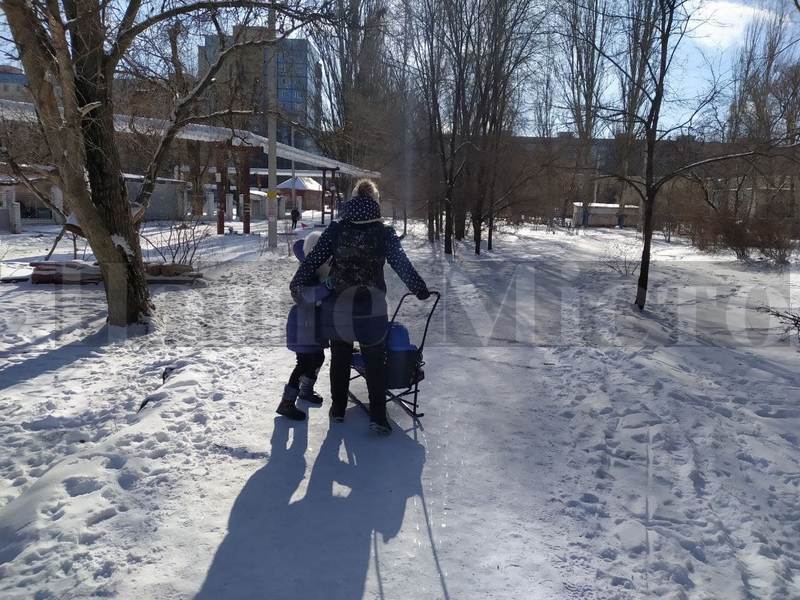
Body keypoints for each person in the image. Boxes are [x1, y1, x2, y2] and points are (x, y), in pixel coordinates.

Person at [290, 179, 429, 434]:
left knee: (340, 357)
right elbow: (402, 265)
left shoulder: (336, 230)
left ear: (353, 200)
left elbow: (313, 260)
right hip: (372, 309)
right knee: (375, 361)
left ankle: (339, 409)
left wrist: (297, 284)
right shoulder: (384, 233)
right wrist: (420, 290)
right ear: (374, 201)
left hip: (339, 307)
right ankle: (378, 417)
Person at [277, 232, 332, 421]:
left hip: (312, 326)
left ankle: (306, 390)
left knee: (318, 357)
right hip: (303, 326)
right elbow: (307, 295)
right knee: (303, 363)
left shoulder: (320, 269)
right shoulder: (308, 271)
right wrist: (327, 288)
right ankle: (286, 402)